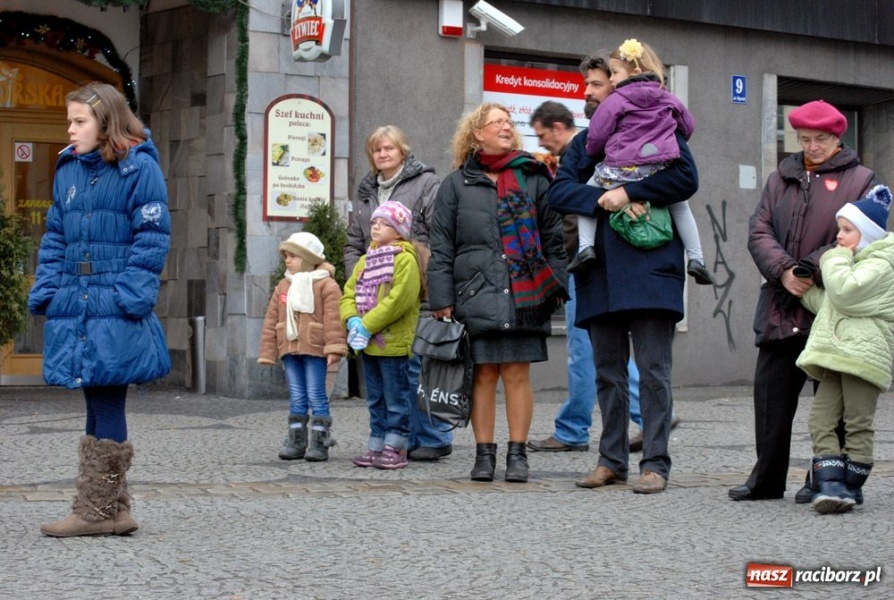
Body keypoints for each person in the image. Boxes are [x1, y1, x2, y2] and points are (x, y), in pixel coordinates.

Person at [549, 46, 700, 494]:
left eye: (598, 83)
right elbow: (560, 192)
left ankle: (655, 463)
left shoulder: (661, 127)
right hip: (598, 273)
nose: (590, 93)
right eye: (589, 86)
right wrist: (601, 198)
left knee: (653, 371)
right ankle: (611, 459)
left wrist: (630, 190)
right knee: (607, 372)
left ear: (620, 82)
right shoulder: (584, 144)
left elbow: (685, 181)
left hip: (651, 268)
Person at [27, 82, 171, 537]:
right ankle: (112, 508)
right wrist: (47, 287)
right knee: (94, 392)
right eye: (69, 120)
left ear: (106, 122)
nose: (70, 130)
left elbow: (152, 237)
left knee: (106, 394)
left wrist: (131, 295)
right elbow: (54, 236)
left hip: (112, 298)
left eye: (79, 121)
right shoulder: (67, 169)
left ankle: (96, 512)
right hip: (77, 295)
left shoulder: (138, 168)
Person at [729, 100, 879, 502]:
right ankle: (766, 480)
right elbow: (758, 229)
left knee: (835, 405)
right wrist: (782, 270)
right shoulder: (781, 177)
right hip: (781, 303)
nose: (811, 146)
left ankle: (825, 478)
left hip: (830, 306)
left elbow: (855, 236)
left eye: (820, 139)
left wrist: (807, 271)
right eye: (804, 139)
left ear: (837, 138)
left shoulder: (862, 179)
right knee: (771, 398)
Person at [427, 102, 568, 484]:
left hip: (525, 294)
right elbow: (442, 246)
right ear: (477, 133)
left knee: (517, 373)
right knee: (484, 374)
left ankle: (518, 455)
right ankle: (484, 455)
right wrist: (441, 299)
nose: (507, 126)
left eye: (509, 121)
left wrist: (556, 282)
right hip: (477, 293)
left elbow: (554, 239)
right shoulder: (456, 184)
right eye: (498, 122)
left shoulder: (534, 177)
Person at [525, 98, 644, 454]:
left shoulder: (579, 159)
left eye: (543, 135)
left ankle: (573, 429)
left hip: (583, 261)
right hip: (593, 260)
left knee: (583, 348)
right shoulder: (577, 158)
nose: (541, 143)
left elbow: (572, 215)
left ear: (559, 127)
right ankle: (650, 414)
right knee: (601, 348)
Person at [345, 126, 453, 462]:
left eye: (389, 148)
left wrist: (425, 270)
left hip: (413, 281)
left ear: (403, 152)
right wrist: (359, 279)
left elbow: (440, 233)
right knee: (387, 379)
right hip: (371, 289)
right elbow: (353, 241)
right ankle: (397, 439)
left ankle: (430, 436)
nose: (383, 154)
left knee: (413, 366)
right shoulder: (366, 191)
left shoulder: (425, 184)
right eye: (377, 150)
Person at [569, 38, 712, 287]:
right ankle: (697, 258)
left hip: (620, 168)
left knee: (589, 191)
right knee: (680, 206)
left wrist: (593, 150)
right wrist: (670, 139)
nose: (612, 80)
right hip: (657, 167)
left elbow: (599, 132)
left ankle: (585, 247)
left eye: (613, 73)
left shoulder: (616, 99)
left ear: (634, 71)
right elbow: (688, 125)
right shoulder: (667, 98)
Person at [795, 185, 894, 514]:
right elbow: (832, 304)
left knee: (857, 423)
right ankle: (831, 482)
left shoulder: (882, 264)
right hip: (838, 355)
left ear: (867, 235)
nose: (839, 237)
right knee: (820, 419)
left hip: (864, 357)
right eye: (839, 230)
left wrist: (833, 259)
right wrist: (799, 290)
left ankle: (850, 486)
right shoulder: (857, 263)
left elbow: (847, 292)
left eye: (847, 230)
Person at [340, 201, 423, 470]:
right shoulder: (365, 261)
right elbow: (349, 292)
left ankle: (396, 445)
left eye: (383, 223)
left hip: (394, 344)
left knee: (396, 398)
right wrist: (352, 319)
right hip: (368, 344)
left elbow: (398, 301)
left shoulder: (405, 260)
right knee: (375, 398)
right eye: (374, 222)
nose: (375, 227)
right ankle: (377, 442)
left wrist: (367, 325)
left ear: (399, 231)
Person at [258, 232, 348, 462]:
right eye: (286, 256)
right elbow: (271, 320)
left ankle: (320, 442)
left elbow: (334, 320)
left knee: (317, 395)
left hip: (315, 348)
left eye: (294, 256)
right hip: (289, 348)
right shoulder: (283, 285)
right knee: (297, 396)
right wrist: (268, 352)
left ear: (308, 259)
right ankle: (297, 441)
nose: (288, 261)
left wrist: (335, 348)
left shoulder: (326, 285)